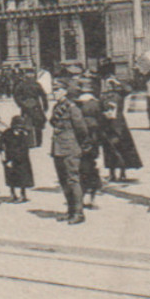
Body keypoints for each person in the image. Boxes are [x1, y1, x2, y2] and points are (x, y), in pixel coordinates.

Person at [50, 86, 89, 225]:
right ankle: (70, 211)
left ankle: (79, 213)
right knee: (63, 180)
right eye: (53, 90)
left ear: (65, 91)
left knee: (72, 179)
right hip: (58, 148)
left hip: (70, 148)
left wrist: (80, 145)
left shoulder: (72, 107)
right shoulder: (58, 106)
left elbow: (82, 129)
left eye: (57, 89)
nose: (54, 92)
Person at [98, 80, 143, 183]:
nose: (108, 86)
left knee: (122, 149)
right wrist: (103, 115)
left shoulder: (119, 95)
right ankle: (112, 174)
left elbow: (129, 89)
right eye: (106, 84)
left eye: (110, 84)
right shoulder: (102, 97)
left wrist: (118, 82)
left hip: (119, 126)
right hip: (107, 125)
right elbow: (99, 109)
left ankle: (122, 173)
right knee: (109, 150)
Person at [74, 84, 104, 209]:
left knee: (81, 172)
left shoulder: (78, 104)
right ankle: (92, 199)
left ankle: (81, 198)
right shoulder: (97, 104)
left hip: (81, 144)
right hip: (94, 143)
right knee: (93, 171)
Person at [0, 115, 35, 203]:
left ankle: (22, 194)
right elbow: (0, 143)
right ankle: (12, 194)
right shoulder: (7, 133)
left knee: (23, 178)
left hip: (22, 160)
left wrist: (16, 159)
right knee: (11, 177)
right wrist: (3, 155)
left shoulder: (24, 135)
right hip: (9, 158)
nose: (18, 130)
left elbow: (25, 148)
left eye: (20, 128)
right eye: (17, 128)